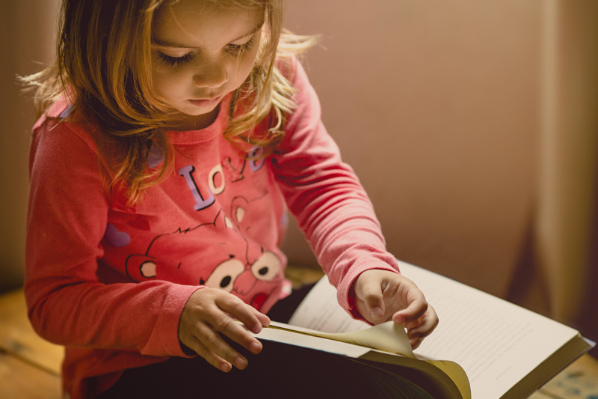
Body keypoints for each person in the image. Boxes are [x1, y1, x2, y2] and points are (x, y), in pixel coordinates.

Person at [23, 0, 439, 398]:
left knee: (396, 378)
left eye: (239, 45)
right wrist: (174, 313)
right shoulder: (75, 140)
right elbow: (54, 302)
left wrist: (362, 262)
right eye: (176, 55)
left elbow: (321, 183)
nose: (216, 78)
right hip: (138, 366)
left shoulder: (269, 79)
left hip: (266, 319)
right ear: (103, 38)